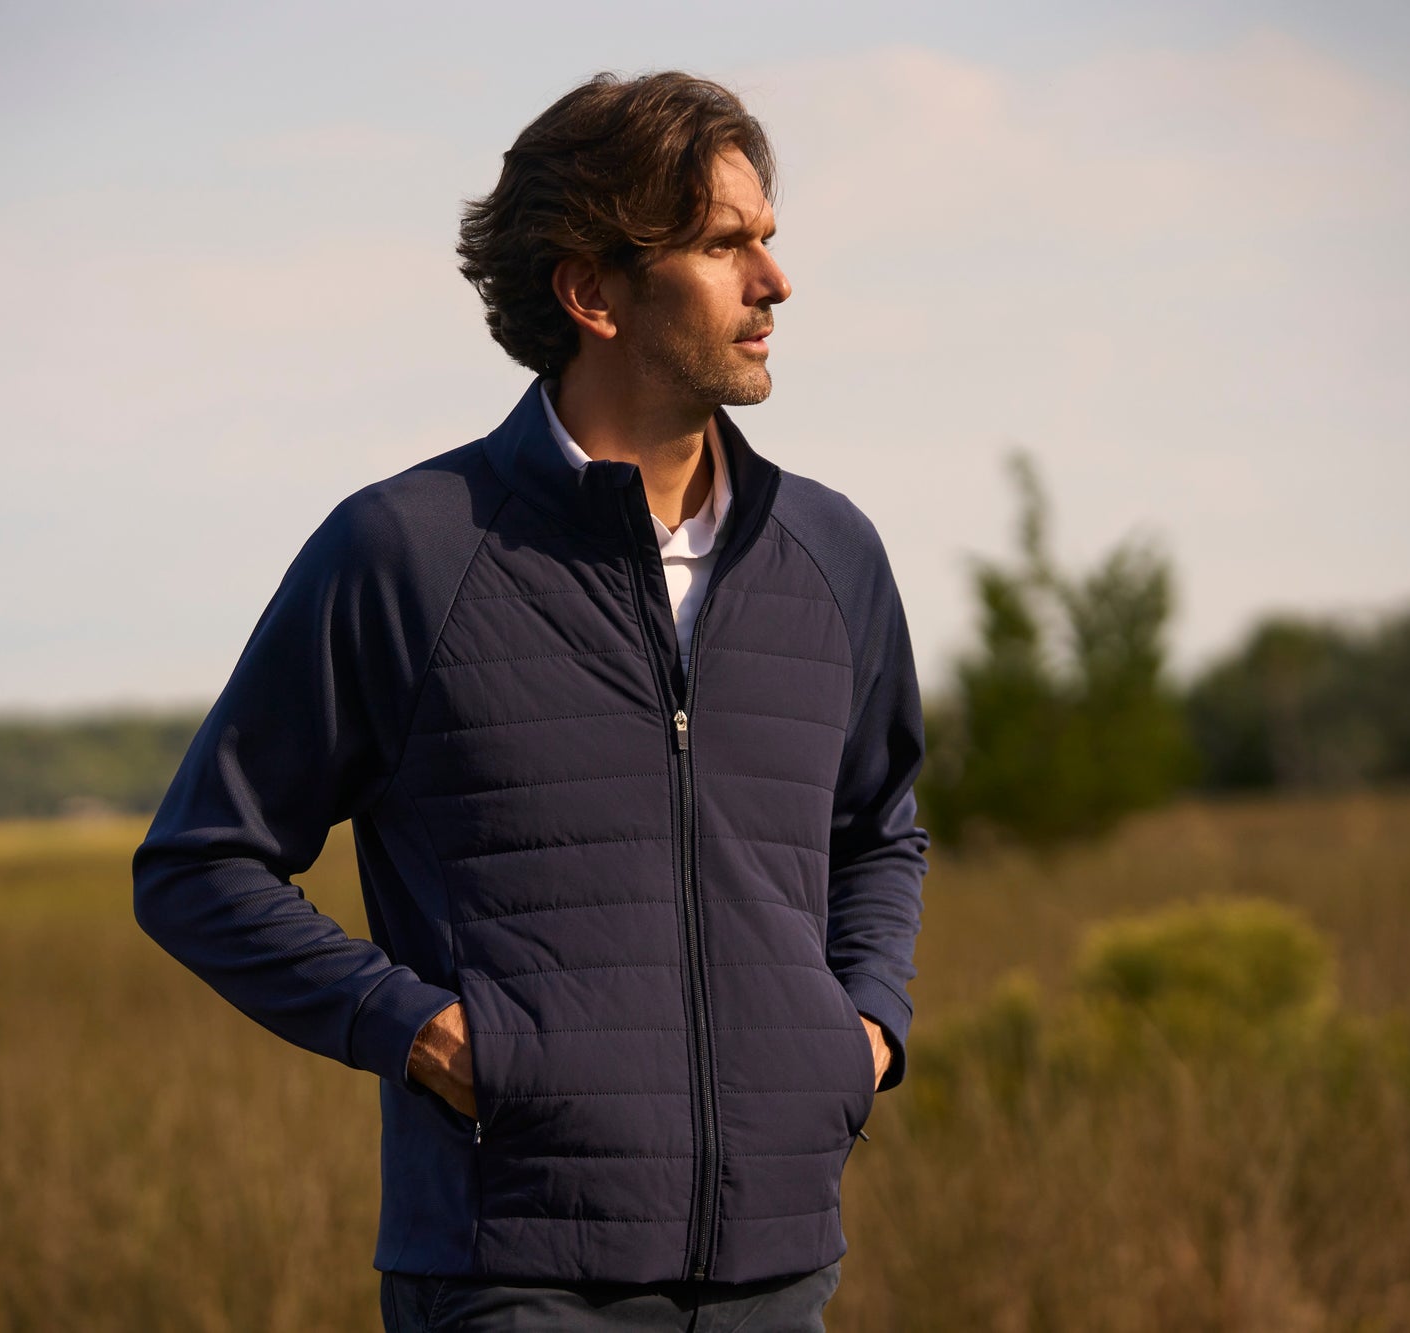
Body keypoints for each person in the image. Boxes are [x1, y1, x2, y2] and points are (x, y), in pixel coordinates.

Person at [132, 69, 929, 1331]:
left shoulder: (829, 555)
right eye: (724, 246)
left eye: (765, 241)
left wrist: (859, 1033)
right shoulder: (405, 553)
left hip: (778, 1268)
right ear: (589, 290)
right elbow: (198, 864)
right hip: (511, 1270)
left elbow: (878, 823)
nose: (773, 284)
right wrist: (418, 1029)